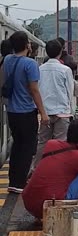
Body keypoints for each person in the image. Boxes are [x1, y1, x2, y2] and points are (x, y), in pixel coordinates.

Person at [23, 119, 78, 220]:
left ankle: (41, 217)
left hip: (30, 203)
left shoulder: (51, 144)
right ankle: (73, 214)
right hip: (53, 207)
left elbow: (65, 154)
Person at [3, 31, 49, 194]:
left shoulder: (8, 60)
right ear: (27, 45)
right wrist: (43, 113)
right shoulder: (30, 64)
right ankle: (20, 183)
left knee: (17, 145)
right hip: (26, 111)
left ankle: (13, 180)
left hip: (12, 111)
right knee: (27, 147)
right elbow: (34, 90)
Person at [31, 40, 75, 172]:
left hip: (45, 112)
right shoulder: (65, 70)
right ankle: (58, 170)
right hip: (62, 112)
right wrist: (71, 112)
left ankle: (36, 169)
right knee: (61, 143)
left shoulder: (40, 69)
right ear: (60, 52)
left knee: (43, 142)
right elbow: (70, 91)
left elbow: (36, 89)